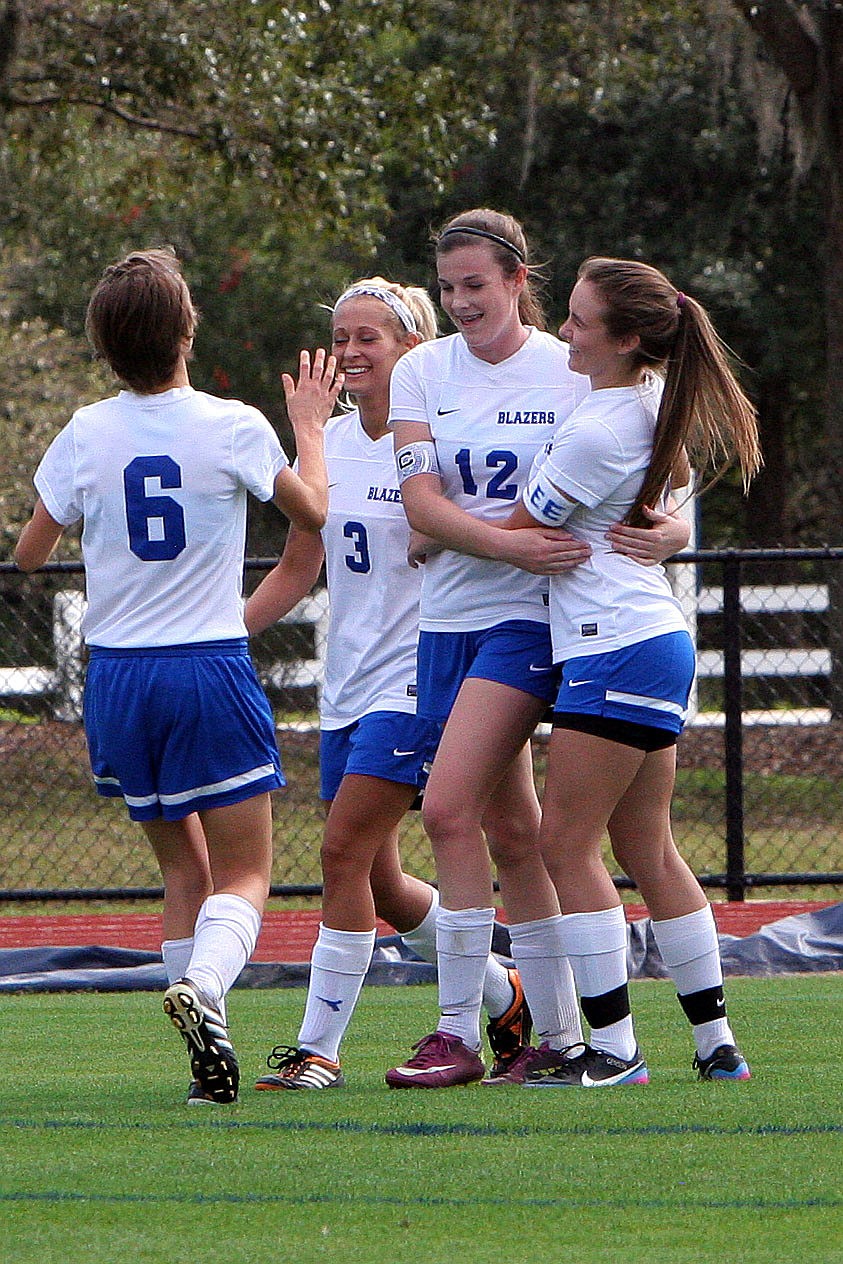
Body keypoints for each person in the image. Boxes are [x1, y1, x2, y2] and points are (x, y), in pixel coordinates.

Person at [14, 248, 343, 1105]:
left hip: (117, 679)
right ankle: (204, 985)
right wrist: (310, 428)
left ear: (103, 348)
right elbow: (313, 510)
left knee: (182, 874)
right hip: (204, 665)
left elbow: (30, 553)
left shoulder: (85, 431)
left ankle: (205, 1058)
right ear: (188, 332)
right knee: (246, 875)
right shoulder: (232, 425)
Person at [384, 210, 690, 1089]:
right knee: (511, 833)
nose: (460, 301)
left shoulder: (572, 365)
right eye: (447, 287)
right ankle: (551, 1036)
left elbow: (670, 480)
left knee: (446, 812)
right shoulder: (421, 370)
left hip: (531, 620)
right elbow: (421, 505)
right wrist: (500, 541)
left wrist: (670, 535)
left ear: (519, 281)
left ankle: (455, 1032)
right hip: (448, 618)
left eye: (476, 284)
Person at [244, 277, 535, 1089]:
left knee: (340, 851)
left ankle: (317, 1051)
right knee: (377, 879)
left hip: (416, 677)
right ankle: (502, 991)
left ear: (412, 347)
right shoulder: (330, 444)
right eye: (340, 337)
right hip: (347, 682)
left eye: (366, 336)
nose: (348, 351)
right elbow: (299, 565)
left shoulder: (434, 441)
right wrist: (222, 633)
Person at [503, 256, 761, 1086]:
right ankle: (715, 1044)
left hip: (612, 641)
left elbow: (522, 528)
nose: (563, 333)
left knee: (563, 843)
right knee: (647, 845)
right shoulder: (643, 401)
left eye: (578, 322)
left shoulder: (599, 428)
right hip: (649, 639)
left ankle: (613, 1049)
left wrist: (428, 525)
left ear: (624, 341)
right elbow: (672, 488)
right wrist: (672, 530)